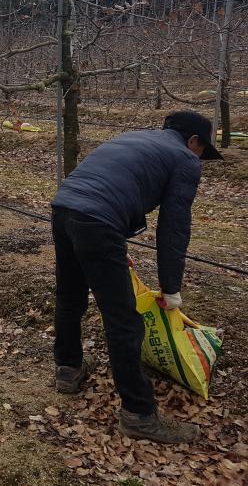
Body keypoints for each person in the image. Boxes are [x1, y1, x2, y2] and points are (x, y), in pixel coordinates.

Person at [50, 110, 222, 444]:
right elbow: (173, 230)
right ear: (193, 141)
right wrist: (171, 289)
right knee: (124, 320)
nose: (200, 157)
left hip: (65, 209)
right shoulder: (185, 159)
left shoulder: (135, 137)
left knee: (70, 296)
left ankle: (68, 369)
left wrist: (114, 240)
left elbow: (116, 185)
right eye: (203, 150)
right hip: (97, 221)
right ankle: (139, 415)